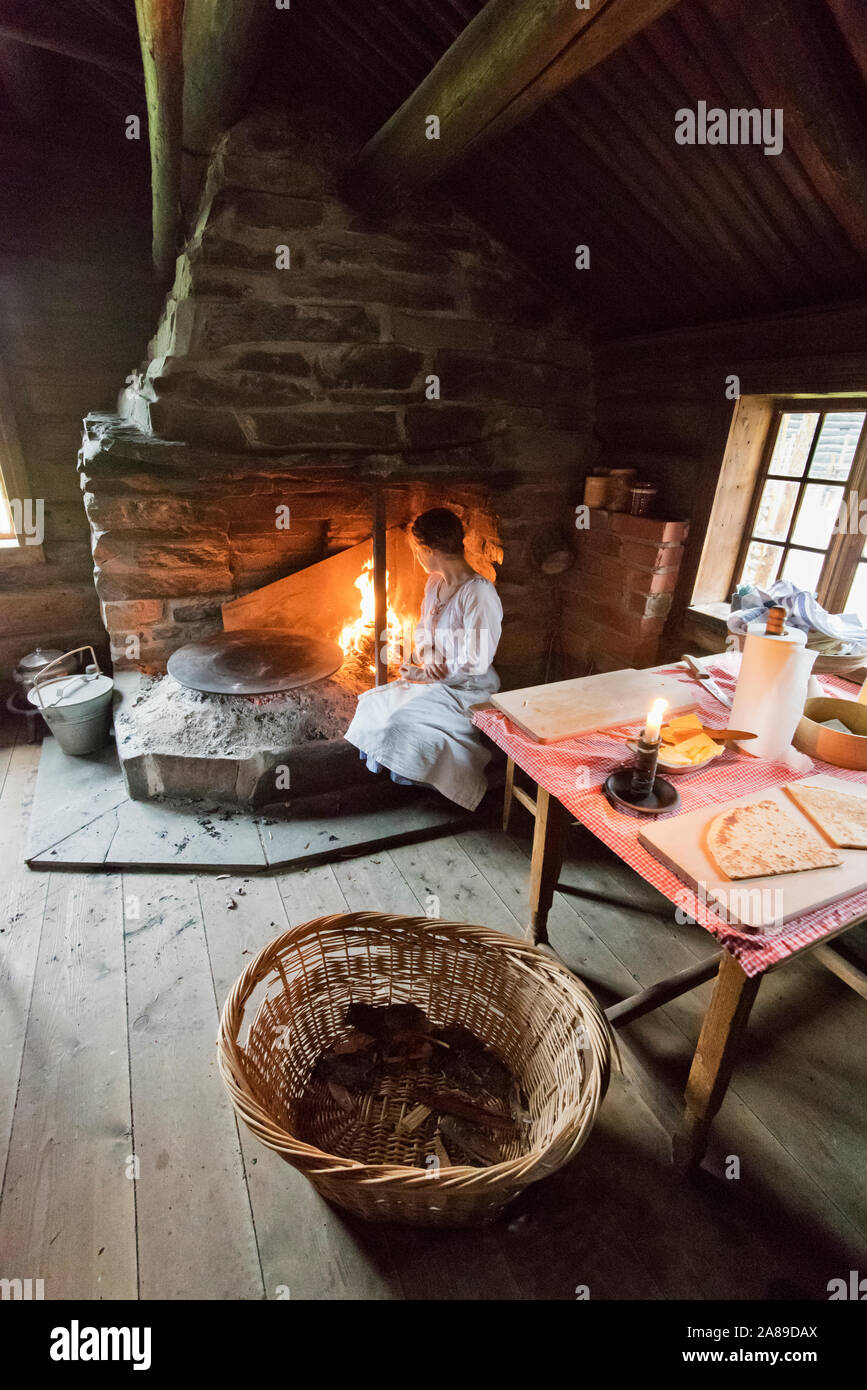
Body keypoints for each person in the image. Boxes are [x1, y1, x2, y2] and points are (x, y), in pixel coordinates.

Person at [344, 508, 503, 811]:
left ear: (429, 550)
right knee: (372, 704)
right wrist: (427, 654)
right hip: (436, 679)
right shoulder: (435, 584)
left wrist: (427, 675)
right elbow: (422, 633)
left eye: (417, 549)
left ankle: (435, 785)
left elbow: (476, 662)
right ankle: (405, 776)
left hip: (468, 689)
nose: (417, 555)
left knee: (395, 723)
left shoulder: (478, 594)